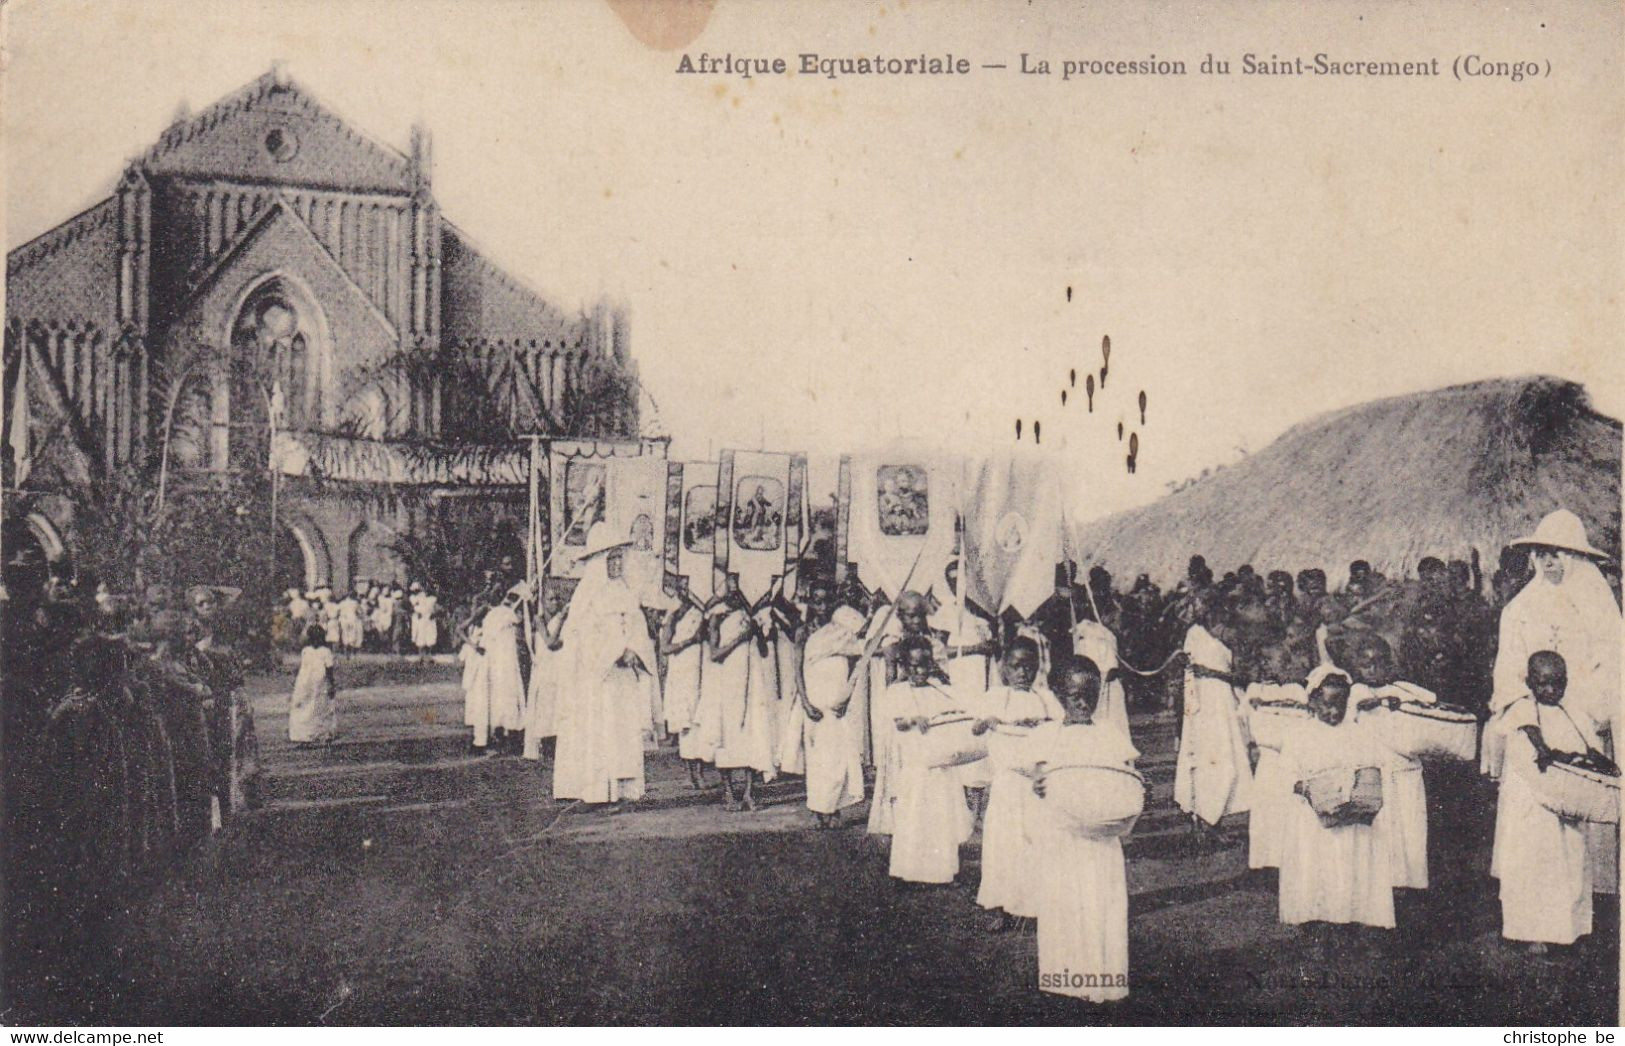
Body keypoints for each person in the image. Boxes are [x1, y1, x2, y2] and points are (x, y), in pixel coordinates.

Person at [1023, 658, 1137, 1003]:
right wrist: (1039, 786)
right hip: (1063, 838)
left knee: (1102, 903)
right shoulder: (1046, 735)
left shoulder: (1108, 733)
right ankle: (1066, 979)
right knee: (1065, 903)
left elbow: (1126, 776)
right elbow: (1038, 778)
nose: (1083, 702)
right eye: (1074, 695)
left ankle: (1103, 978)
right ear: (1058, 694)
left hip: (1100, 838)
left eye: (1091, 694)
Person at [1486, 510, 1621, 782]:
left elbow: (1614, 663)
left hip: (1585, 722)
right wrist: (1532, 726)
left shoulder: (1598, 607)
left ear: (1575, 558)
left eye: (1556, 553)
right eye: (1541, 554)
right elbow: (1508, 673)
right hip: (1533, 725)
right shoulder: (1519, 610)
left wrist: (1597, 707)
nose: (1547, 562)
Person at [1492, 651, 1607, 952]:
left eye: (1557, 684)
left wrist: (1593, 759)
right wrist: (1549, 753)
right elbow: (1531, 739)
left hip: (1566, 801)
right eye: (1543, 684)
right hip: (1531, 804)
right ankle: (1532, 932)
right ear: (1530, 682)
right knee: (1533, 864)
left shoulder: (1573, 713)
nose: (1550, 691)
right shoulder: (1521, 710)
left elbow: (1589, 747)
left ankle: (1570, 929)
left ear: (1566, 683)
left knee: (1569, 861)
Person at [1276, 666, 1395, 935]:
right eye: (1328, 705)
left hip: (1350, 816)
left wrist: (1361, 787)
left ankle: (1349, 922)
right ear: (1313, 701)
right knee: (1317, 869)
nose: (1333, 712)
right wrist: (1308, 788)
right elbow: (1287, 774)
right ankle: (1317, 924)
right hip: (1313, 820)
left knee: (1349, 868)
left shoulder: (1358, 732)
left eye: (1340, 705)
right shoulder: (1300, 734)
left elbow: (1372, 766)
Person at [552, 524, 658, 806]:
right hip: (600, 677)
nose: (616, 563)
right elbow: (583, 639)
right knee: (602, 729)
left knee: (624, 730)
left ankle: (626, 790)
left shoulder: (626, 591)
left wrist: (634, 649)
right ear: (599, 562)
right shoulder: (589, 596)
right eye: (610, 558)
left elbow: (638, 627)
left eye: (619, 557)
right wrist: (616, 652)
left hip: (625, 676)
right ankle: (600, 790)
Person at [973, 637, 1064, 930]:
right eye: (1016, 667)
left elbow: (1059, 727)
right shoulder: (995, 697)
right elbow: (977, 726)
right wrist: (988, 721)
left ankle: (1031, 905)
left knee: (1035, 842)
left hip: (1036, 782)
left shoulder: (1046, 698)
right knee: (1003, 844)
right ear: (1004, 669)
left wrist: (1038, 725)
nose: (1023, 673)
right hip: (1008, 783)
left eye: (1029, 667)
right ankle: (998, 905)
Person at [881, 635, 974, 885]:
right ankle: (911, 870)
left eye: (924, 665)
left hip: (941, 767)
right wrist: (913, 718)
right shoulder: (897, 691)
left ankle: (943, 870)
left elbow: (957, 715)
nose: (919, 671)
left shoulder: (940, 690)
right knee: (913, 817)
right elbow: (898, 723)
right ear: (904, 665)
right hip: (916, 768)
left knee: (941, 817)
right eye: (913, 666)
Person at [1174, 594, 1253, 838]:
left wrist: (1213, 673)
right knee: (1202, 758)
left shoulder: (1232, 635)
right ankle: (1202, 819)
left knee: (1226, 762)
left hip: (1223, 704)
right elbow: (1186, 672)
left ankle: (1213, 818)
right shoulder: (1194, 633)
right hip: (1200, 704)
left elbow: (1242, 674)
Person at [801, 593, 869, 827]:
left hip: (838, 701)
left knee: (838, 757)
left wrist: (847, 698)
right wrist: (806, 704)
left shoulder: (843, 632)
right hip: (815, 700)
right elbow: (799, 670)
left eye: (826, 601)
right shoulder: (805, 632)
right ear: (810, 603)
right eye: (817, 601)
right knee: (818, 759)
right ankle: (820, 808)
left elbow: (856, 664)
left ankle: (834, 807)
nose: (821, 606)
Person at [1243, 646, 1308, 872]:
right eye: (1267, 661)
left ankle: (1290, 859)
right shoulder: (1255, 689)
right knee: (1267, 811)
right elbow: (1253, 724)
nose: (1272, 667)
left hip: (1292, 760)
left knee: (1290, 810)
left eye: (1283, 662)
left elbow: (1303, 722)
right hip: (1268, 762)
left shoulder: (1297, 690)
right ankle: (1266, 862)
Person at [660, 590, 710, 788]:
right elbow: (664, 647)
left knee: (700, 720)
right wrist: (689, 641)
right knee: (686, 724)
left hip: (700, 669)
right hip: (682, 673)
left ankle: (700, 772)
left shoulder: (702, 612)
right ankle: (691, 773)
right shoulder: (674, 614)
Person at [523, 586, 568, 761]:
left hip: (558, 666)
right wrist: (562, 620)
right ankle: (545, 744)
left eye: (557, 598)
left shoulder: (562, 618)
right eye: (550, 599)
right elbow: (550, 642)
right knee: (544, 705)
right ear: (543, 602)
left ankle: (556, 744)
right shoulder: (539, 619)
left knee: (557, 704)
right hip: (545, 667)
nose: (555, 602)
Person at [288, 624, 337, 745]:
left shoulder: (306, 651)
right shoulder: (325, 651)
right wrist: (331, 684)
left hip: (305, 681)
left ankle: (306, 733)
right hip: (318, 681)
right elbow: (329, 670)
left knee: (307, 706)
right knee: (317, 706)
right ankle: (318, 733)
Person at [409, 582, 438, 658]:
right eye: (425, 589)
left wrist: (433, 613)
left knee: (431, 635)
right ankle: (421, 655)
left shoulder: (433, 599)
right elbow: (413, 607)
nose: (426, 591)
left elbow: (437, 609)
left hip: (430, 619)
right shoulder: (419, 597)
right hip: (421, 618)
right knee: (421, 635)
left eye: (429, 589)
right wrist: (417, 611)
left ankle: (429, 654)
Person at [335, 589, 363, 653]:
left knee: (345, 634)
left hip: (343, 619)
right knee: (352, 634)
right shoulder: (355, 603)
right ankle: (351, 650)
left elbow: (337, 610)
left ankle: (345, 649)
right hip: (352, 619)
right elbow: (360, 612)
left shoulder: (342, 603)